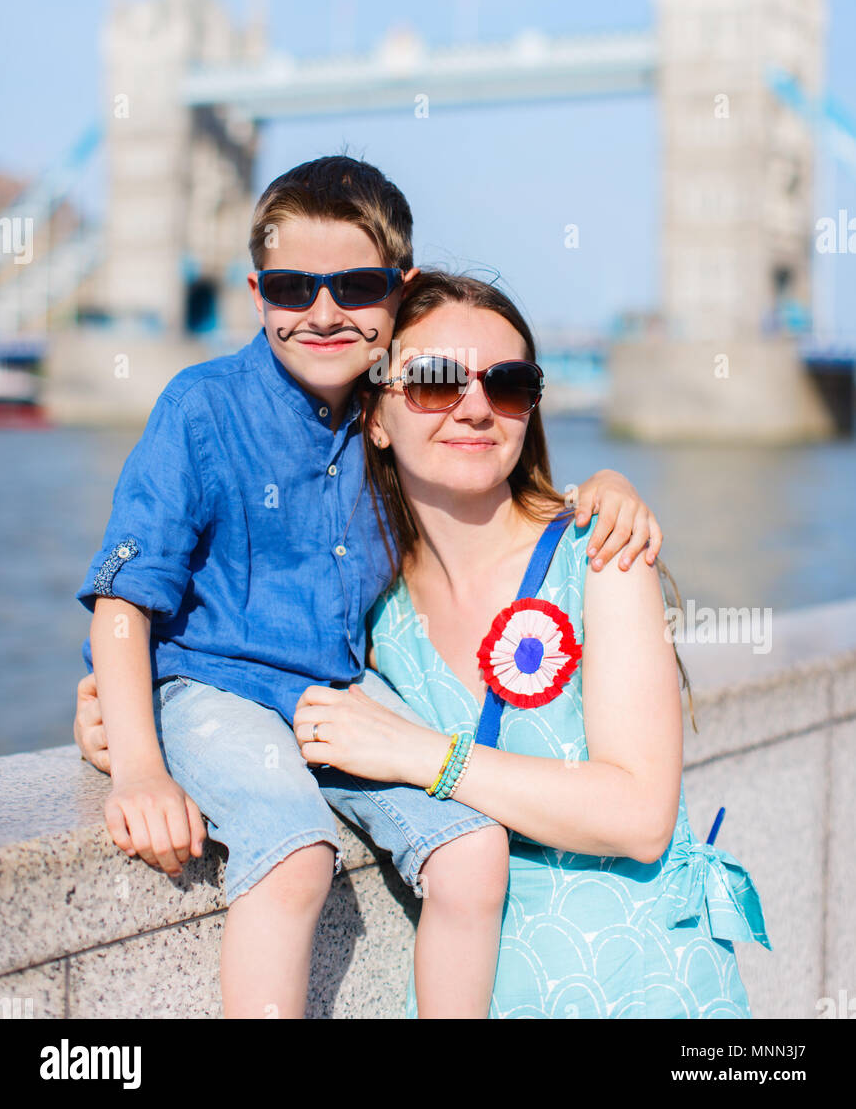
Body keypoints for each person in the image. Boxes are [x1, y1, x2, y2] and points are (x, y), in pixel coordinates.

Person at [74, 155, 661, 1020]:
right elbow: (128, 597)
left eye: (354, 285)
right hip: (215, 686)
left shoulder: (389, 409)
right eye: (289, 287)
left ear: (399, 288)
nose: (321, 313)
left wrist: (606, 483)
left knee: (471, 848)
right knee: (296, 851)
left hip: (341, 690)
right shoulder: (202, 408)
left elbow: (496, 485)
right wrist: (137, 763)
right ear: (255, 290)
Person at [287, 270, 772, 1018]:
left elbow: (639, 815)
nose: (476, 408)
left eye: (508, 384)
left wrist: (420, 755)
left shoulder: (600, 551)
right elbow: (253, 672)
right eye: (436, 382)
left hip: (649, 992)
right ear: (376, 416)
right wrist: (133, 718)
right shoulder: (370, 607)